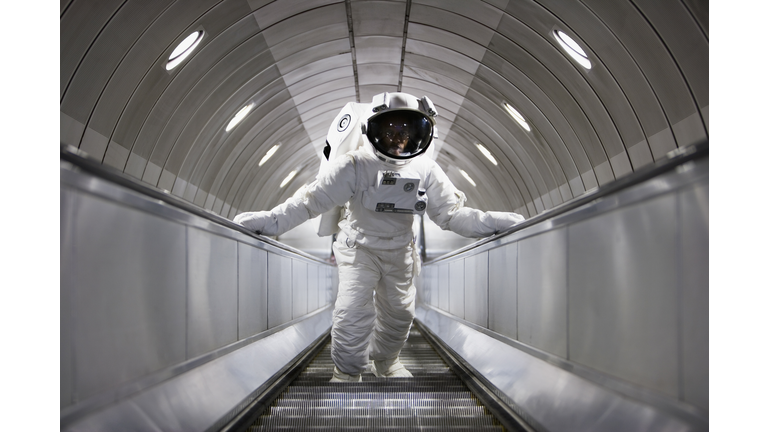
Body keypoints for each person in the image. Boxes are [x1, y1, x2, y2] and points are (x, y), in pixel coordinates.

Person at [234, 92, 525, 382]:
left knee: (400, 314)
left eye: (405, 131)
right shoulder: (355, 166)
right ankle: (347, 372)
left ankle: (386, 362)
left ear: (418, 133)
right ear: (372, 131)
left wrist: (491, 223)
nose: (397, 138)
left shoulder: (424, 168)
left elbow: (450, 215)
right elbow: (310, 202)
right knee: (352, 311)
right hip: (359, 248)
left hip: (400, 251)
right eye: (389, 130)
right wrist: (270, 222)